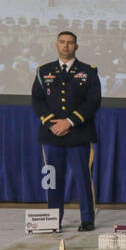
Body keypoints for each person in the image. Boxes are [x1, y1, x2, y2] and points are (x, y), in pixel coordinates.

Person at [31, 31, 100, 231]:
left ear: (76, 46)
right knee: (52, 180)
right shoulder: (43, 71)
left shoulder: (89, 71)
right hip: (52, 134)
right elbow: (37, 100)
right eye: (62, 42)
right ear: (56, 45)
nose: (66, 46)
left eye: (70, 43)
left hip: (79, 134)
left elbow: (93, 102)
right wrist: (52, 123)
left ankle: (87, 220)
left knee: (83, 178)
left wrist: (69, 122)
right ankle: (53, 220)